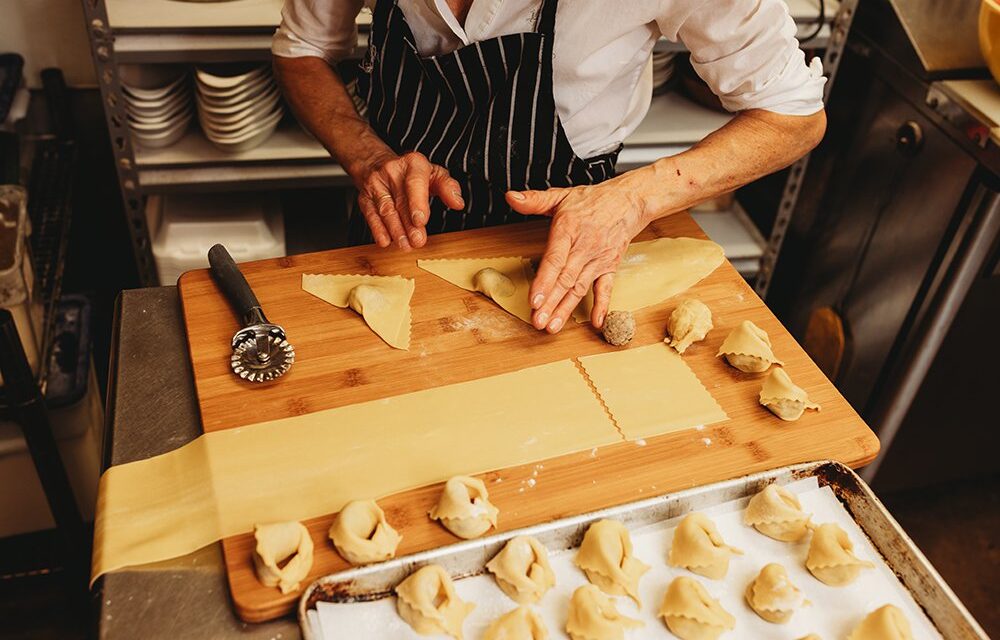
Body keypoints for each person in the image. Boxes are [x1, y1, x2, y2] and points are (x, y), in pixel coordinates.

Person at [272, 0, 827, 333]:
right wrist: (369, 157)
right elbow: (304, 48)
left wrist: (631, 200)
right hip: (394, 224)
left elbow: (793, 115)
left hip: (567, 248)